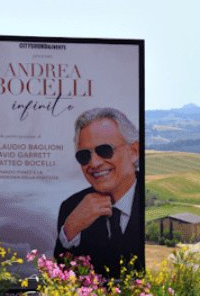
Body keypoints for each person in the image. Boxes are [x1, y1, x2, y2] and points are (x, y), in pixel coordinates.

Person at [54, 108, 144, 278]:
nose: (94, 163)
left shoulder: (153, 199)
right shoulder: (72, 209)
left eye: (104, 150)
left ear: (133, 151)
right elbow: (59, 282)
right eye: (84, 155)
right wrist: (71, 230)